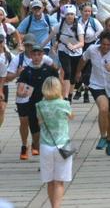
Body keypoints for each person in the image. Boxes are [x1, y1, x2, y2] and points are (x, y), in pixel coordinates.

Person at [76, 30, 110, 156]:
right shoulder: (92, 50)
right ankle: (103, 136)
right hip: (97, 85)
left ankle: (109, 141)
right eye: (103, 44)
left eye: (108, 45)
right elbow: (83, 59)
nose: (105, 47)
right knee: (103, 108)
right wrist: (78, 72)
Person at [15, 42, 59, 160]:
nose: (36, 57)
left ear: (42, 55)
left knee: (48, 130)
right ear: (30, 56)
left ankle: (46, 157)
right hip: (32, 105)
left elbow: (57, 84)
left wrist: (58, 99)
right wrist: (21, 93)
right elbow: (19, 89)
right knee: (36, 132)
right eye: (34, 55)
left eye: (39, 54)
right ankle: (36, 145)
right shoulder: (26, 71)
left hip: (47, 104)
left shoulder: (49, 69)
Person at [36, 77, 74, 208]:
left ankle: (53, 206)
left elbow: (39, 121)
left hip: (46, 145)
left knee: (50, 181)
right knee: (59, 182)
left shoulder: (39, 105)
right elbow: (71, 117)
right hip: (63, 144)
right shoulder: (64, 104)